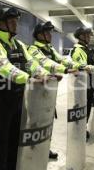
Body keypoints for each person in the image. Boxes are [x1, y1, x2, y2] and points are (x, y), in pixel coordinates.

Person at [0, 7, 50, 170]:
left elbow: (32, 64)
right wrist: (28, 77)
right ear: (1, 24)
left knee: (15, 140)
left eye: (16, 21)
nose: (15, 25)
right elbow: (2, 66)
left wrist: (45, 74)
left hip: (19, 99)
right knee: (1, 142)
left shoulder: (19, 45)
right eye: (11, 22)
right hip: (0, 101)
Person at [28, 21, 75, 159]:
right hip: (36, 91)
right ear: (39, 35)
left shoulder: (50, 49)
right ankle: (33, 149)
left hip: (50, 90)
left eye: (50, 32)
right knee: (36, 122)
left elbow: (61, 60)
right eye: (47, 32)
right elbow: (46, 63)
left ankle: (45, 147)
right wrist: (64, 70)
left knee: (48, 120)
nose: (50, 35)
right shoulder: (33, 50)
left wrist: (80, 66)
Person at [70, 27, 94, 139]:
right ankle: (78, 130)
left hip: (89, 85)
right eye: (87, 35)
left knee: (87, 107)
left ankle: (82, 129)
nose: (89, 37)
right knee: (81, 108)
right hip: (82, 85)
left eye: (89, 35)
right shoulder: (78, 50)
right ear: (81, 36)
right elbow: (86, 67)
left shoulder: (86, 49)